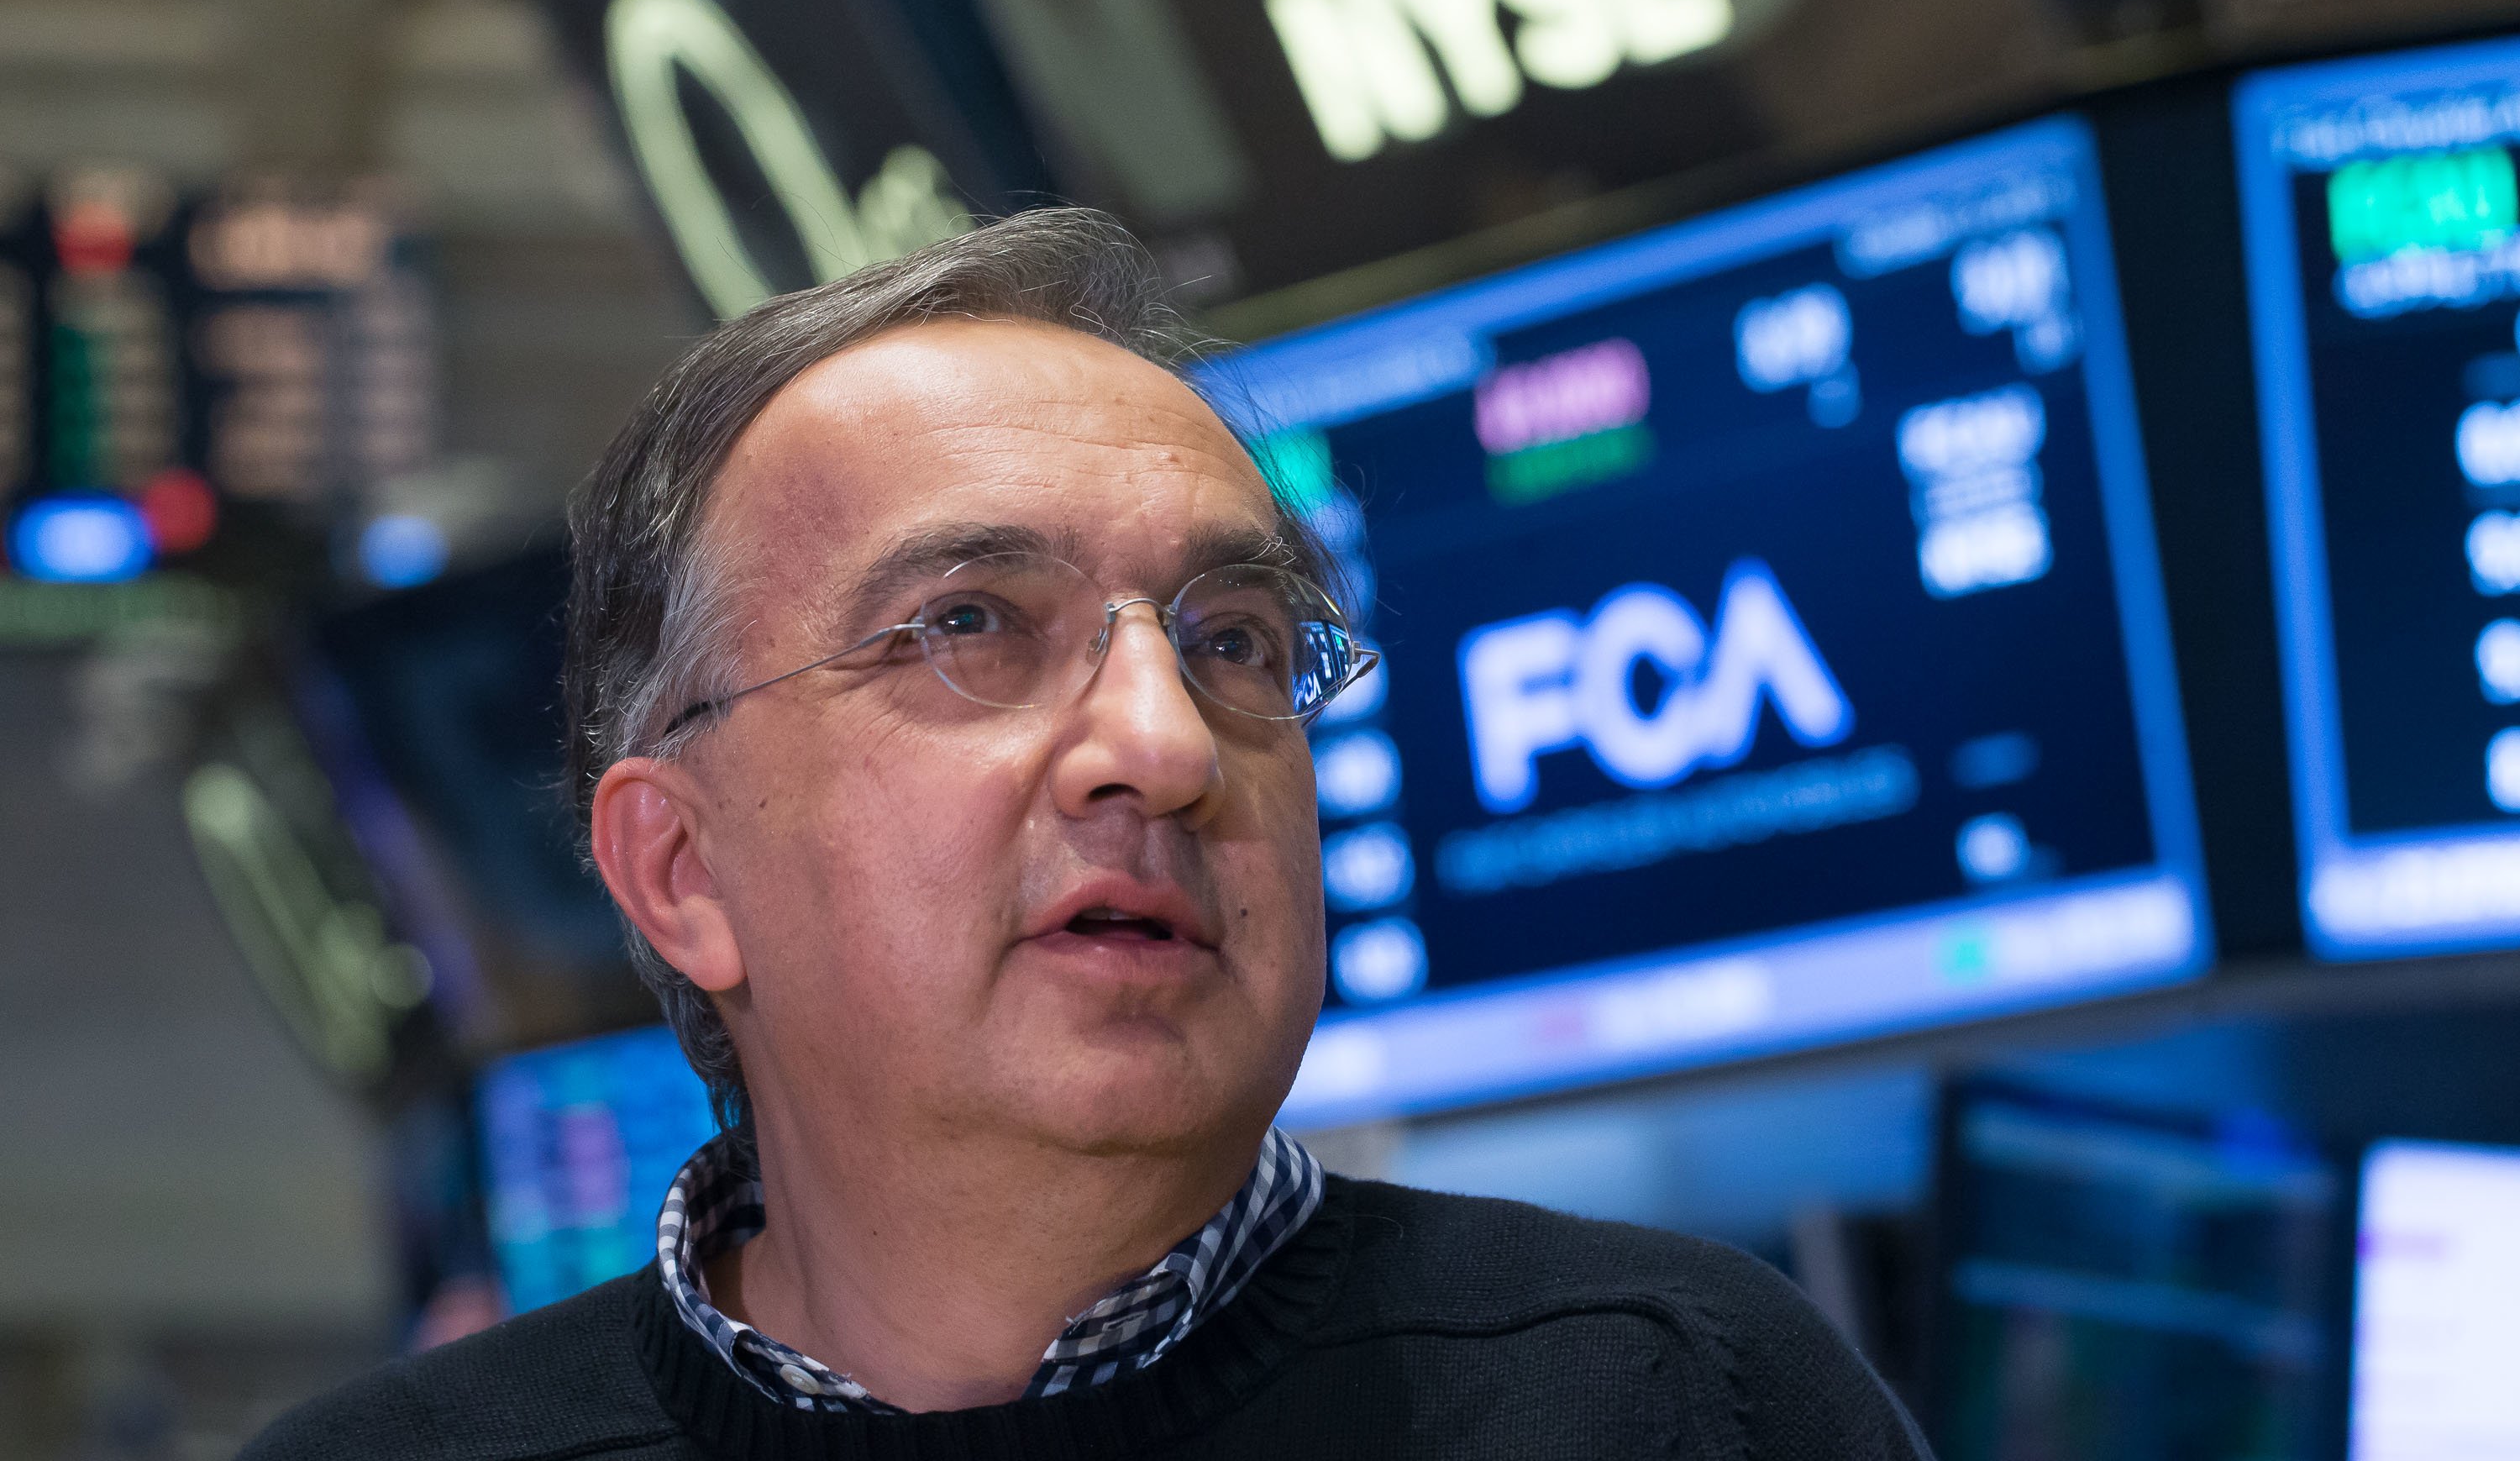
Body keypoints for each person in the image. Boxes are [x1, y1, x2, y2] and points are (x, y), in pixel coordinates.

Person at [244, 210, 1931, 1458]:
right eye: (971, 624)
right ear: (684, 871)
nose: (1164, 742)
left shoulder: (1682, 1400)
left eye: (1235, 642)